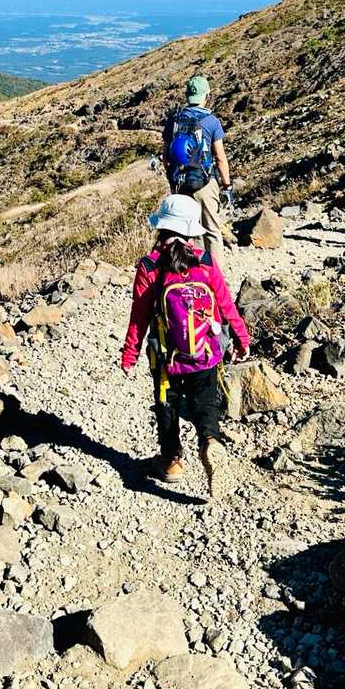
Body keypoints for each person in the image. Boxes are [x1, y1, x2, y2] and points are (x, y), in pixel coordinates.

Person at [119, 193, 250, 496]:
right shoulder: (204, 261)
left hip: (167, 357)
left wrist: (130, 354)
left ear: (161, 228)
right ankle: (210, 441)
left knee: (166, 404)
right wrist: (241, 337)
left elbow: (139, 316)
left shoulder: (150, 266)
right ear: (192, 230)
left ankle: (172, 462)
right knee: (205, 402)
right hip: (205, 352)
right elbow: (226, 304)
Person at [162, 75, 233, 267]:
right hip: (205, 183)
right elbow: (220, 158)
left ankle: (191, 272)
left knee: (187, 230)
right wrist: (227, 186)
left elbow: (166, 157)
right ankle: (215, 275)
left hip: (180, 183)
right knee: (212, 230)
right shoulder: (211, 121)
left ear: (187, 95)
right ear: (207, 95)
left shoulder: (174, 119)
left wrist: (174, 180)